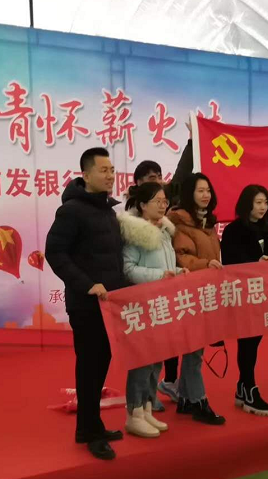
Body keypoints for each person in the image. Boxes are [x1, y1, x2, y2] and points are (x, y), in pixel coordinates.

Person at [45, 147, 127, 460]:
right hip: (86, 304)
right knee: (90, 367)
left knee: (101, 363)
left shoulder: (108, 211)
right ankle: (90, 432)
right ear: (86, 175)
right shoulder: (72, 211)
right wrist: (86, 285)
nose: (110, 176)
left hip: (110, 304)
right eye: (103, 170)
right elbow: (55, 253)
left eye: (112, 170)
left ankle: (89, 426)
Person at [118, 182, 187, 437]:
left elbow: (165, 266)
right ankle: (134, 413)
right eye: (157, 201)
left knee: (156, 359)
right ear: (142, 205)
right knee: (142, 361)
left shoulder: (165, 231)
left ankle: (147, 407)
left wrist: (178, 271)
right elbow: (128, 269)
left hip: (162, 305)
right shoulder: (135, 232)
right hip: (142, 305)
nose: (163, 205)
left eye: (164, 200)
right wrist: (160, 276)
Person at [166, 173, 226, 425]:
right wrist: (205, 264)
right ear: (189, 193)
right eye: (200, 190)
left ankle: (185, 399)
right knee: (194, 350)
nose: (205, 195)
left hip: (206, 292)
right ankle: (199, 401)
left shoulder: (207, 223)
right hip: (189, 293)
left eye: (208, 190)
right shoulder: (179, 222)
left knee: (195, 349)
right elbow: (181, 256)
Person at [221, 185, 268, 416]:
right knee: (247, 342)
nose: (263, 207)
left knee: (254, 342)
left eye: (265, 202)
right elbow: (230, 261)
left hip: (262, 294)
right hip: (242, 294)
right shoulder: (233, 230)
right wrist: (255, 263)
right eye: (258, 202)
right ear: (247, 204)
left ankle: (243, 388)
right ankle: (248, 388)